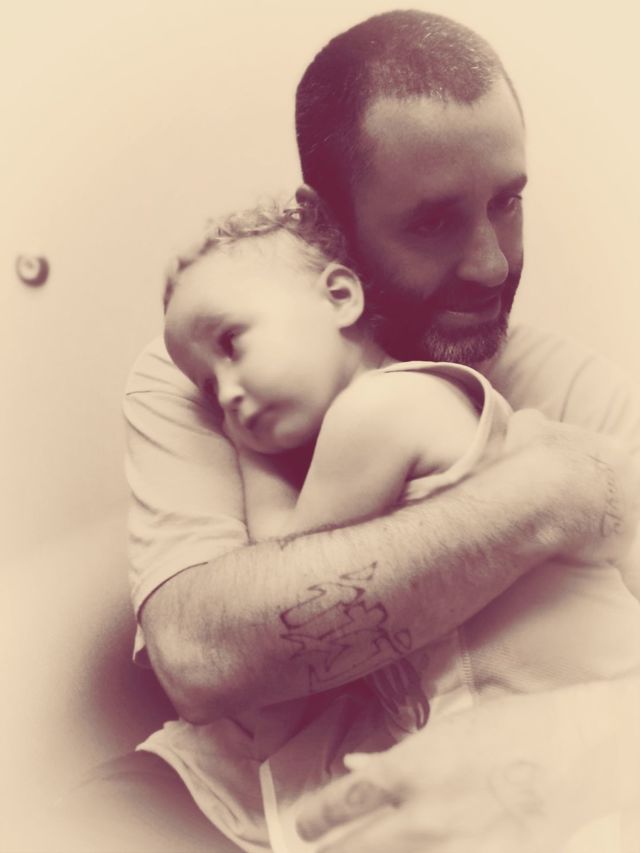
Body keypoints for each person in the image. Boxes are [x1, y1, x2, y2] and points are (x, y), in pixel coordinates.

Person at [54, 9, 640, 853]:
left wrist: (553, 749)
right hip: (239, 793)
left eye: (507, 203)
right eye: (432, 220)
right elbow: (203, 658)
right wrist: (547, 496)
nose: (490, 262)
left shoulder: (581, 387)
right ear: (326, 221)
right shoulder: (207, 365)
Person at [161, 199, 640, 847]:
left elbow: (284, 567)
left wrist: (248, 453)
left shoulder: (379, 411)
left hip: (549, 755)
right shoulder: (433, 396)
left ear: (339, 297)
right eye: (206, 386)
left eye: (231, 344)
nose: (227, 395)